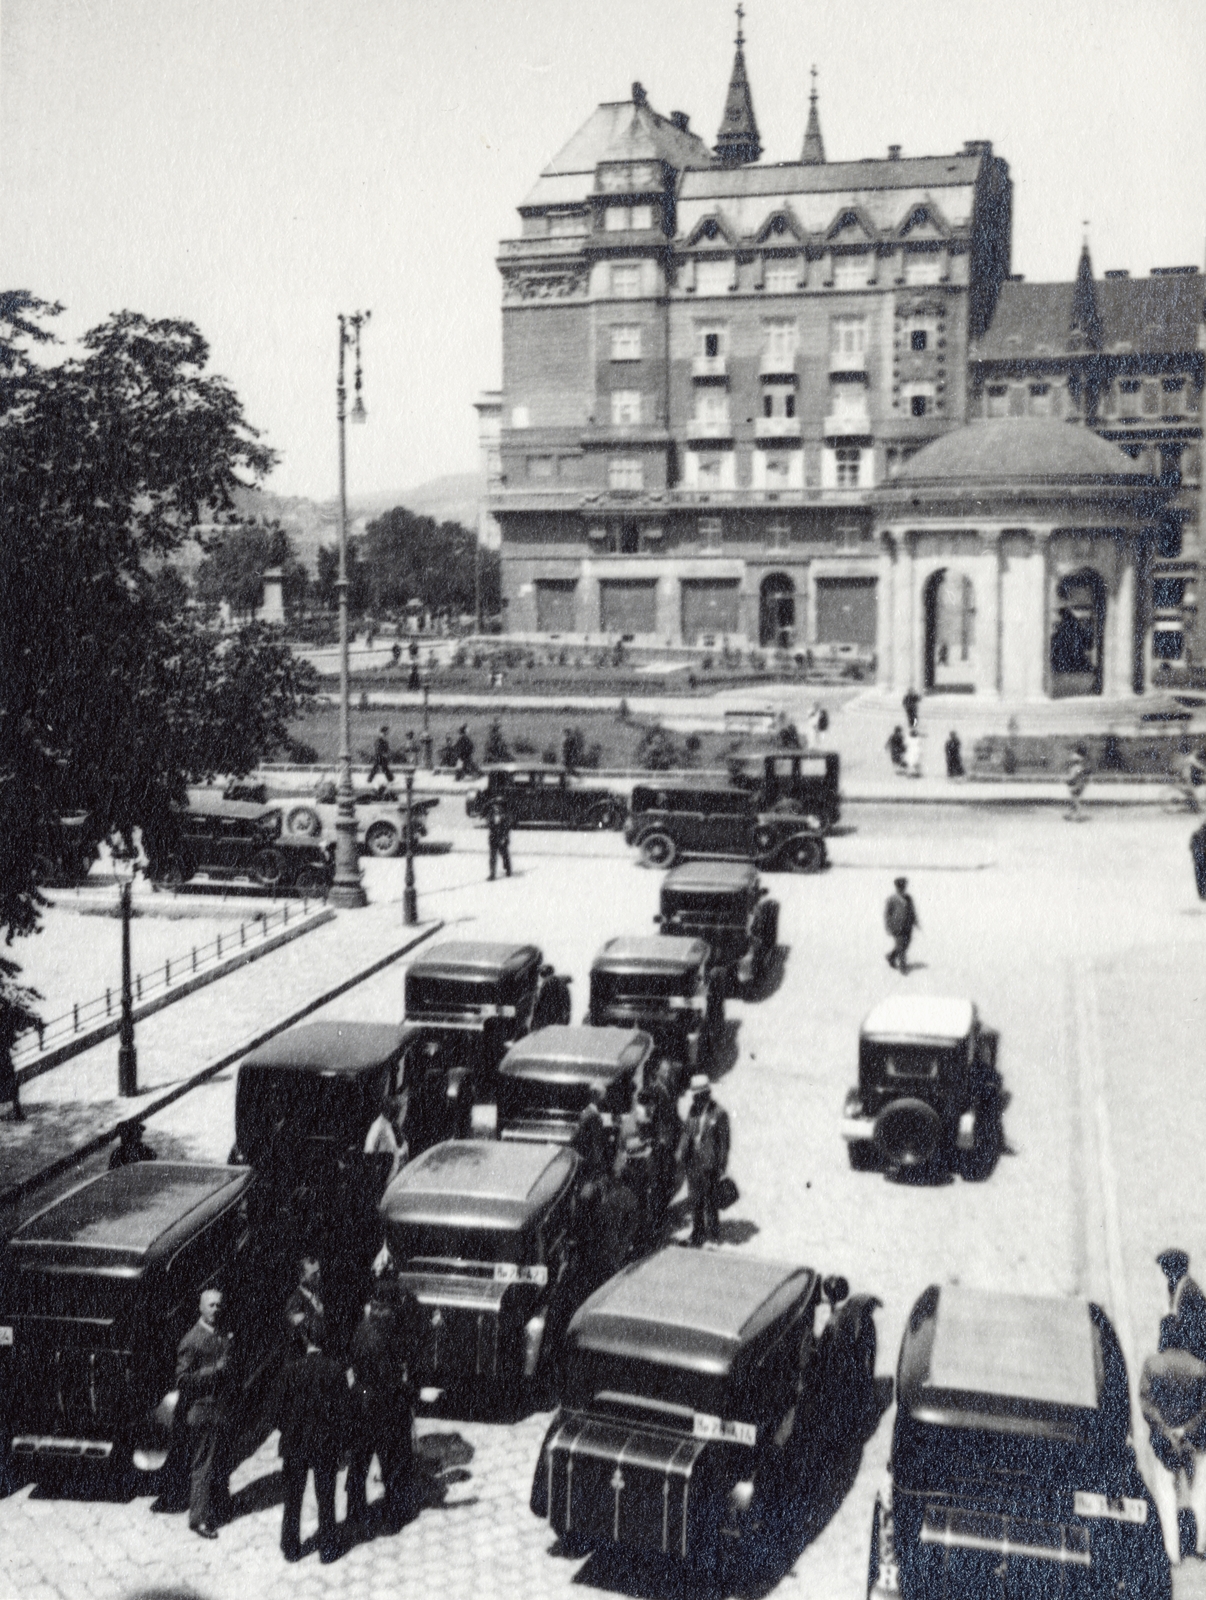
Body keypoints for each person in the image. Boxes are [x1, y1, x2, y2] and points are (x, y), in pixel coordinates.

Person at [345, 1285, 415, 1536]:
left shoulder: (364, 1327)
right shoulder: (379, 1338)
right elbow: (388, 1381)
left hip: (361, 1400)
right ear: (386, 1309)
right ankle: (394, 1514)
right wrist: (413, 1393)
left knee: (359, 1461)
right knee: (390, 1459)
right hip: (380, 1406)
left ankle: (355, 1511)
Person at [273, 1335, 348, 1563]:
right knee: (326, 1497)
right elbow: (343, 1413)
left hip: (295, 1444)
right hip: (325, 1445)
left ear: (305, 1341)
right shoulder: (335, 1370)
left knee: (293, 1497)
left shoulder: (290, 1370)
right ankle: (327, 1549)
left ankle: (291, 1548)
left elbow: (276, 1412)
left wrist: (290, 1429)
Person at [174, 1288, 235, 1540]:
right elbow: (182, 1380)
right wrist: (214, 1370)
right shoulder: (192, 1340)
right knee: (203, 1465)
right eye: (211, 1305)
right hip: (202, 1411)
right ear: (200, 1308)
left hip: (220, 1409)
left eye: (219, 1305)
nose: (215, 1310)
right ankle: (198, 1519)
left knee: (221, 1460)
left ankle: (220, 1506)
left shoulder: (220, 1332)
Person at [677, 1077, 730, 1248]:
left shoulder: (719, 1113)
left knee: (711, 1201)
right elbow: (687, 1131)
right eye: (695, 1095)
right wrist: (681, 1151)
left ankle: (714, 1235)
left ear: (707, 1093)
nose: (696, 1098)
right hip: (693, 1162)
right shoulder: (693, 1110)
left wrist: (721, 1165)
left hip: (710, 1164)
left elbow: (724, 1142)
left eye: (699, 1095)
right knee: (695, 1200)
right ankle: (697, 1234)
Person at [363, 1089, 406, 1189]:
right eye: (394, 1111)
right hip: (385, 1167)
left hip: (396, 1166)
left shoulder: (393, 1125)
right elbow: (369, 1148)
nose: (396, 1114)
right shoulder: (377, 1126)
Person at [285, 1255, 328, 1355]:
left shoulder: (320, 1294)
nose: (319, 1276)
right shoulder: (295, 1301)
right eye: (314, 1274)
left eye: (319, 1271)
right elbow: (298, 1330)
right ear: (302, 1276)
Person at [885, 877, 919, 973]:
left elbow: (912, 911)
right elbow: (887, 914)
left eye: (903, 887)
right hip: (897, 927)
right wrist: (888, 926)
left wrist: (915, 921)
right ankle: (903, 967)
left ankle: (891, 957)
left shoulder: (908, 898)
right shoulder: (891, 899)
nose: (902, 889)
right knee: (901, 947)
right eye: (900, 887)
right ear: (896, 888)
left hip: (908, 926)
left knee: (906, 945)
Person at [486, 795, 512, 880]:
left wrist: (504, 838)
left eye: (498, 805)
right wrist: (491, 801)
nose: (496, 807)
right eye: (495, 805)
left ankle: (508, 869)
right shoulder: (491, 813)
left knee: (504, 854)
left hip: (501, 837)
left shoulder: (506, 816)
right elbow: (484, 810)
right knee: (492, 856)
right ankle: (492, 874)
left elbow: (507, 828)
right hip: (493, 837)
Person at [1065, 744, 1089, 821]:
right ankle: (1071, 814)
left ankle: (1078, 815)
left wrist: (1070, 779)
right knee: (1074, 799)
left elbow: (1075, 775)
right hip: (1079, 782)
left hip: (1077, 782)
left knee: (1075, 800)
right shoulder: (1080, 765)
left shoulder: (1077, 766)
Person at [1191, 824, 1206, 901]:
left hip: (1199, 857)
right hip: (1200, 857)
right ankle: (1202, 893)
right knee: (1201, 874)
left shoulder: (1197, 834)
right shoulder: (1198, 835)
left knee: (1200, 875)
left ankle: (1202, 893)